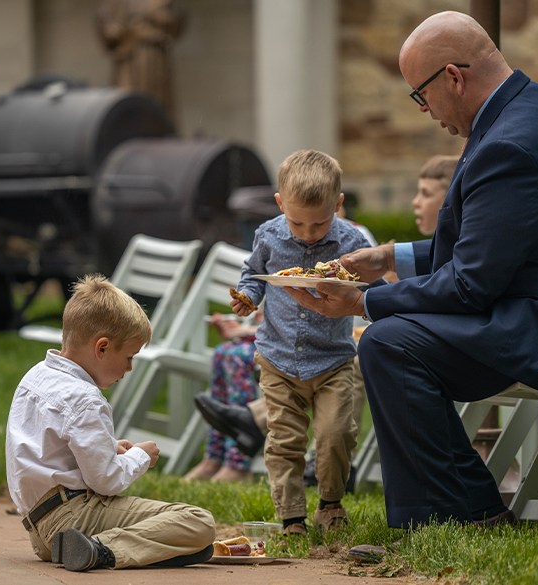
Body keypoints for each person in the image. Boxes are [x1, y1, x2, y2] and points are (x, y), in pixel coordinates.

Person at [283, 11, 538, 531]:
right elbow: (489, 250)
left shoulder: (512, 143)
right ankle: (478, 510)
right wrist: (387, 259)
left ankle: (445, 517)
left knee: (389, 343)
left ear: (453, 76)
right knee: (392, 342)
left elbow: (472, 283)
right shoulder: (517, 114)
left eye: (420, 95)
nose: (424, 109)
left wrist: (361, 301)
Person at [194, 155, 459, 468]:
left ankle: (300, 446)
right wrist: (251, 322)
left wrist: (363, 303)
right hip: (331, 335)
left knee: (360, 355)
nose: (415, 202)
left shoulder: (361, 243)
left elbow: (386, 301)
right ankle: (232, 447)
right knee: (238, 351)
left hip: (368, 338)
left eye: (427, 194)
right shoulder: (278, 238)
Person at [5, 275, 216, 572]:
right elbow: (106, 481)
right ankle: (99, 550)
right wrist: (140, 456)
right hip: (75, 516)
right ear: (102, 348)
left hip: (39, 528)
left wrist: (109, 447)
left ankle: (89, 548)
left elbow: (48, 448)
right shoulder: (85, 398)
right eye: (129, 357)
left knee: (198, 547)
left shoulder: (35, 378)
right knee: (198, 523)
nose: (129, 368)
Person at [230, 149, 372, 536]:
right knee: (285, 438)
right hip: (278, 358)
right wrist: (247, 296)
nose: (308, 233)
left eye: (319, 223)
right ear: (280, 204)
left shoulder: (352, 242)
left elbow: (365, 289)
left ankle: (330, 501)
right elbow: (253, 273)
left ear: (338, 205)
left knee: (335, 433)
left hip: (333, 359)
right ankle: (292, 517)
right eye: (297, 223)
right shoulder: (269, 235)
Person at [183, 311, 262, 482]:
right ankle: (215, 456)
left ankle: (239, 462)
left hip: (299, 349)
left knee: (238, 355)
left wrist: (250, 330)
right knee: (222, 352)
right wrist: (246, 329)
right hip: (268, 337)